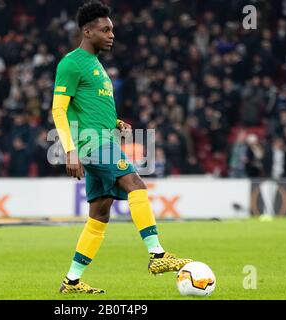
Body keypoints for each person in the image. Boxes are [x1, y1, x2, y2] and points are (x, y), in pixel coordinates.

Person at [51, 1, 191, 294]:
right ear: (87, 32)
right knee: (136, 185)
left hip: (104, 138)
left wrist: (116, 123)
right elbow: (58, 110)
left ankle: (72, 281)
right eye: (105, 30)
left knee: (100, 215)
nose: (111, 34)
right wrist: (70, 149)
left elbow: (89, 107)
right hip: (92, 144)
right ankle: (157, 255)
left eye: (112, 29)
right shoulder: (72, 63)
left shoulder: (97, 66)